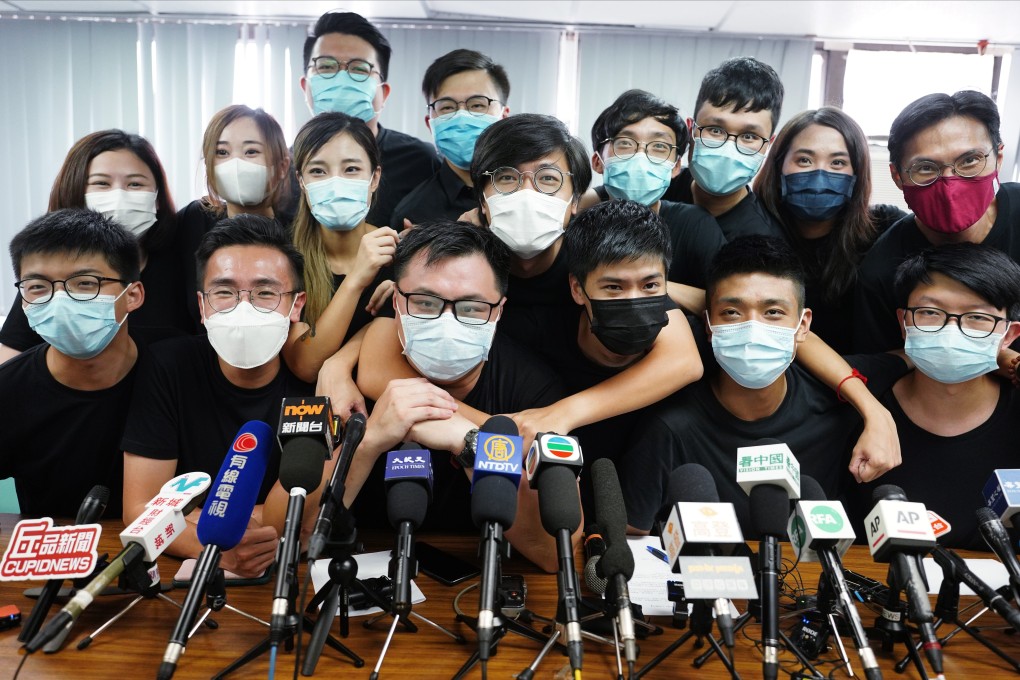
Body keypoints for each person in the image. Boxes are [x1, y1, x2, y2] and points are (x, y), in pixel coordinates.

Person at [619, 236, 909, 534]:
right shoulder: (668, 430)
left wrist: (877, 414)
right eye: (732, 313)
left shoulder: (836, 398)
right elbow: (631, 541)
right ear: (709, 326)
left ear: (803, 326)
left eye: (773, 313)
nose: (753, 329)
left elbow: (917, 354)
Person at [340, 220, 569, 572]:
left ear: (499, 312)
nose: (447, 320)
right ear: (396, 302)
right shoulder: (356, 384)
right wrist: (369, 443)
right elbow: (294, 529)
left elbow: (555, 553)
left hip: (481, 579)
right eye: (425, 302)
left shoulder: (534, 393)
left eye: (472, 308)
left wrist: (469, 443)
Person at [467, 114, 704, 444]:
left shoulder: (595, 257)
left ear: (576, 199)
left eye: (548, 179)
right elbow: (381, 366)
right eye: (506, 178)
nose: (527, 193)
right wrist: (493, 430)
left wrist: (565, 412)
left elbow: (682, 360)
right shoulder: (461, 265)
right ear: (482, 198)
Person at [121, 215, 314, 578]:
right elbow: (140, 507)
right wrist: (213, 550)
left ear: (296, 304)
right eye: (224, 292)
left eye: (265, 292)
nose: (244, 307)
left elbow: (295, 517)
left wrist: (196, 515)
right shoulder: (169, 365)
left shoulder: (316, 381)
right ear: (202, 304)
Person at [846, 243, 1020, 550]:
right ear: (903, 322)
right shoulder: (856, 411)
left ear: (1008, 335)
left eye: (977, 317)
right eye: (929, 312)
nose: (951, 330)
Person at [0, 130, 193, 362]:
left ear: (157, 197)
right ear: (75, 192)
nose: (119, 196)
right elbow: (10, 357)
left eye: (135, 184)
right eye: (101, 183)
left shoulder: (183, 258)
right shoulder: (52, 280)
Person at [0, 209, 145, 517]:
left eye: (85, 283)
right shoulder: (8, 390)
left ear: (132, 295)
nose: (60, 300)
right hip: (51, 554)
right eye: (38, 286)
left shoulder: (173, 369)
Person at [854, 90, 1020, 353]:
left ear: (998, 159)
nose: (949, 184)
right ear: (897, 176)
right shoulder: (881, 272)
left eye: (969, 161)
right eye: (926, 168)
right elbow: (887, 370)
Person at [284, 112, 398, 382]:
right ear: (301, 181)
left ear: (374, 178)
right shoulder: (284, 260)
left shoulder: (401, 254)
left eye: (351, 169)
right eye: (318, 171)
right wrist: (356, 279)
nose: (335, 184)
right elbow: (306, 366)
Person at [754, 108, 879, 353]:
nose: (820, 177)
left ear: (857, 172)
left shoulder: (882, 232)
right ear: (779, 166)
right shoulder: (751, 229)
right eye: (804, 160)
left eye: (838, 163)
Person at [298, 11, 440, 227]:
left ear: (384, 93)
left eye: (359, 69)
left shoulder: (421, 162)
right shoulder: (288, 167)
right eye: (326, 66)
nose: (342, 78)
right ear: (305, 86)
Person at [588, 89, 726, 290]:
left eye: (659, 146)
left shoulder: (695, 226)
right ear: (597, 161)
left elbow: (727, 298)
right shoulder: (582, 226)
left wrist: (655, 288)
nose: (641, 157)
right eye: (625, 143)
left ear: (676, 166)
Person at [390, 49, 511, 231]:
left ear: (504, 117)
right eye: (447, 107)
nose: (461, 118)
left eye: (477, 104)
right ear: (430, 124)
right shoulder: (414, 214)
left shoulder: (528, 191)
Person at [683, 56, 786, 241]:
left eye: (749, 136)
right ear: (691, 129)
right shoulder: (658, 195)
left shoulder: (764, 240)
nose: (728, 148)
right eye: (715, 130)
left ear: (768, 144)